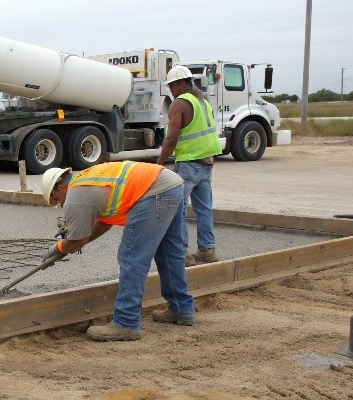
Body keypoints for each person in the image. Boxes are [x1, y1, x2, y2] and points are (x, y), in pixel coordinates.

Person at [41, 161, 195, 341]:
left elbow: (78, 239)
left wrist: (60, 247)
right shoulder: (87, 180)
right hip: (171, 184)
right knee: (169, 252)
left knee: (131, 256)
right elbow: (104, 223)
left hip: (152, 192)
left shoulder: (76, 194)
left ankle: (126, 322)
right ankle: (181, 308)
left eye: (56, 200)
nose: (60, 205)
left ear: (60, 188)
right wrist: (76, 243)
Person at [157, 65, 223, 266]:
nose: (170, 90)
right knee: (204, 209)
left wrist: (159, 165)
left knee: (178, 208)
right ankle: (207, 250)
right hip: (207, 162)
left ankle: (183, 253)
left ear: (180, 84)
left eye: (171, 86)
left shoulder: (179, 104)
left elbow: (171, 139)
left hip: (189, 163)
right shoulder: (202, 102)